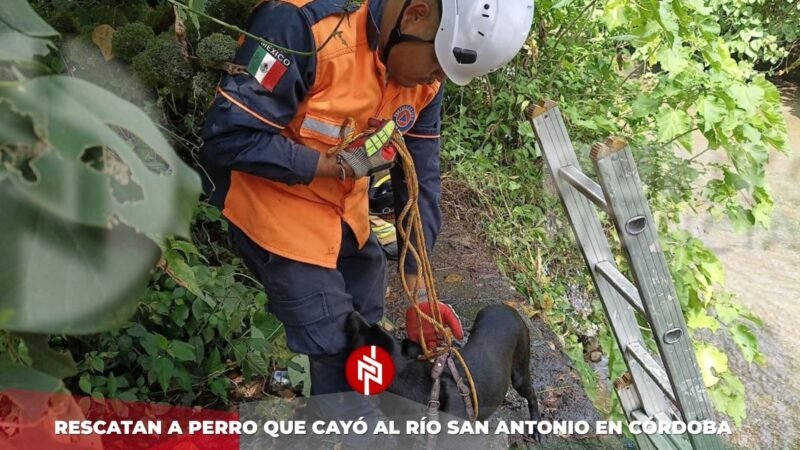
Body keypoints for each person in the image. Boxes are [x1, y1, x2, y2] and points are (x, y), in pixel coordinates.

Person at [201, 0, 533, 415]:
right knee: (340, 346)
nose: (434, 80)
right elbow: (227, 136)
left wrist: (420, 290)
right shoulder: (302, 27)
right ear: (416, 12)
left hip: (346, 216)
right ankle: (339, 429)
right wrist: (331, 164)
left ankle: (340, 413)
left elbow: (418, 180)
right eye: (435, 65)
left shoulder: (424, 69)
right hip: (275, 213)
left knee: (366, 319)